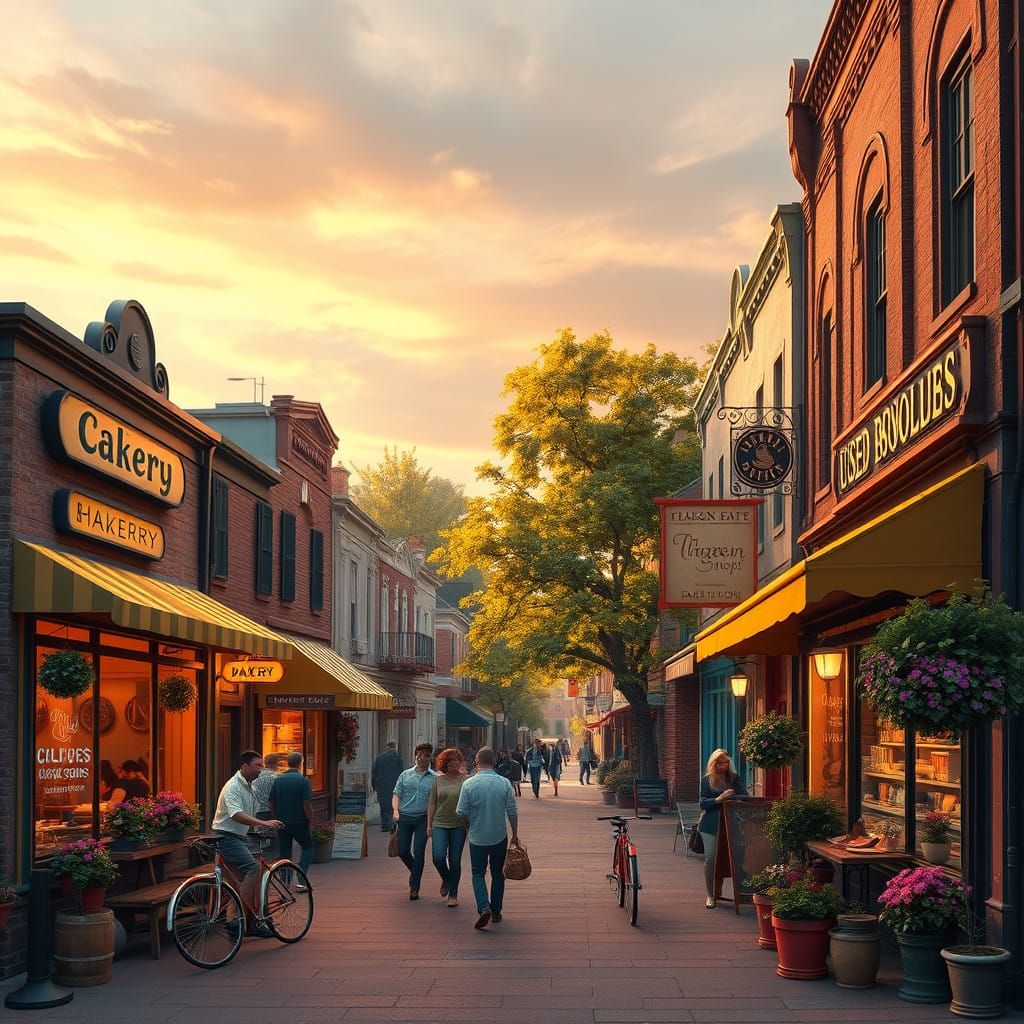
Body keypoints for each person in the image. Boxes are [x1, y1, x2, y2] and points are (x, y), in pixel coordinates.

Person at [211, 750, 282, 930]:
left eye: (262, 765)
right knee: (253, 869)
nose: (261, 769)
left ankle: (243, 919)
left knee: (244, 878)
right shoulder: (233, 786)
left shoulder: (251, 787)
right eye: (257, 765)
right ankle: (241, 916)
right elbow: (236, 814)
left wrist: (257, 827)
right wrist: (263, 822)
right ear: (244, 766)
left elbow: (250, 812)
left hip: (240, 836)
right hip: (227, 836)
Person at [455, 746, 518, 930]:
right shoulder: (504, 783)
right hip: (499, 835)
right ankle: (496, 910)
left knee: (478, 873)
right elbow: (512, 812)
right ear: (494, 762)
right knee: (498, 874)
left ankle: (483, 906)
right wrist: (515, 834)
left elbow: (461, 812)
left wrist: (469, 825)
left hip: (477, 836)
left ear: (477, 761)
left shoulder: (468, 784)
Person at [698, 748, 747, 909]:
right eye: (720, 762)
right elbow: (702, 803)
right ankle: (710, 895)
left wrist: (734, 797)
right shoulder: (707, 780)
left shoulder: (734, 778)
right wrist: (719, 799)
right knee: (711, 857)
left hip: (732, 823)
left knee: (735, 858)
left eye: (726, 762)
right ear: (714, 763)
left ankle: (741, 893)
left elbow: (745, 796)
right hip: (710, 824)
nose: (724, 765)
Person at [392, 742, 436, 900]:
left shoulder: (435, 778)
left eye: (425, 755)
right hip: (404, 817)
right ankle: (415, 872)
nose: (421, 757)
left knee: (418, 851)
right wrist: (396, 810)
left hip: (422, 819)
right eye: (419, 754)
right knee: (402, 851)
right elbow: (397, 793)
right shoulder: (405, 775)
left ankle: (415, 887)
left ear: (430, 758)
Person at [426, 748, 467, 909]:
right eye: (450, 761)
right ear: (444, 763)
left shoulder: (465, 780)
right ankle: (446, 878)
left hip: (459, 824)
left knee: (455, 860)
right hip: (440, 823)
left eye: (457, 760)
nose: (454, 763)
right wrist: (429, 824)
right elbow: (432, 803)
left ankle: (453, 894)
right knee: (438, 856)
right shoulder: (438, 781)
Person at [269, 751, 314, 885]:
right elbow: (307, 803)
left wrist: (276, 817)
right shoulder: (303, 780)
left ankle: (285, 881)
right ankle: (301, 879)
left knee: (285, 852)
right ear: (300, 764)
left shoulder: (278, 780)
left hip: (282, 821)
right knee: (308, 847)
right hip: (299, 821)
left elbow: (271, 802)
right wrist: (310, 819)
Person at [372, 741, 404, 831]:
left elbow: (374, 773)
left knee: (383, 805)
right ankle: (392, 824)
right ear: (395, 747)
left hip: (381, 786)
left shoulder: (379, 758)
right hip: (394, 786)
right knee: (393, 806)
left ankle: (385, 824)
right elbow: (402, 773)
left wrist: (374, 786)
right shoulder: (397, 757)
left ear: (387, 747)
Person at [251, 752, 281, 822]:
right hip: (269, 812)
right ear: (276, 764)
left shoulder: (255, 777)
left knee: (259, 832)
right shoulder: (275, 778)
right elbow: (275, 798)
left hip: (255, 812)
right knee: (270, 832)